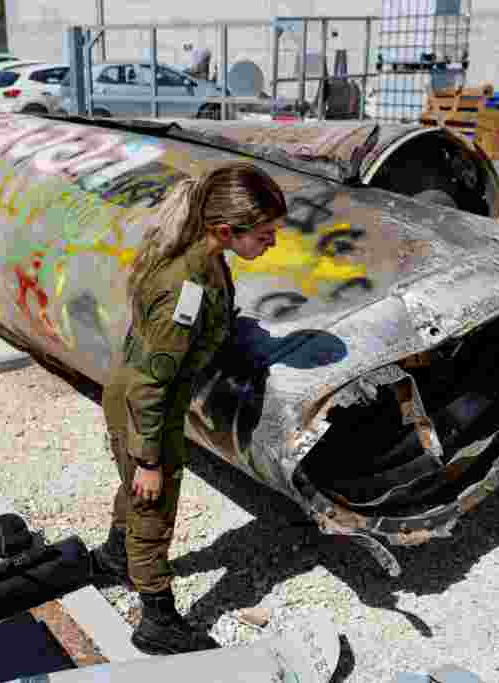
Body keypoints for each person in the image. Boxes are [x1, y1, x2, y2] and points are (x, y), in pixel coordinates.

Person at [90, 162, 288, 656]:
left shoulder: (205, 257)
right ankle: (157, 619)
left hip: (145, 399)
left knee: (138, 494)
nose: (272, 243)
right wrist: (149, 459)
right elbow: (151, 383)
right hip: (145, 409)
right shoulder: (187, 287)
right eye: (264, 234)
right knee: (153, 503)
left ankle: (115, 557)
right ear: (226, 230)